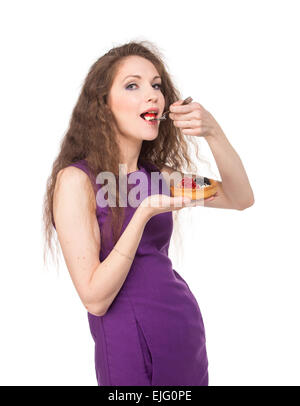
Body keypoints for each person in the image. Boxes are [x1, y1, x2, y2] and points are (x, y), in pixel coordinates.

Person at [43, 40, 254, 386]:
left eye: (156, 85)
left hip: (182, 332)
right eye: (132, 85)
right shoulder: (76, 180)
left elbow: (239, 196)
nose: (153, 95)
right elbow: (94, 299)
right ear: (103, 105)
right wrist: (143, 213)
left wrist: (213, 132)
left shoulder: (162, 177)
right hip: (126, 339)